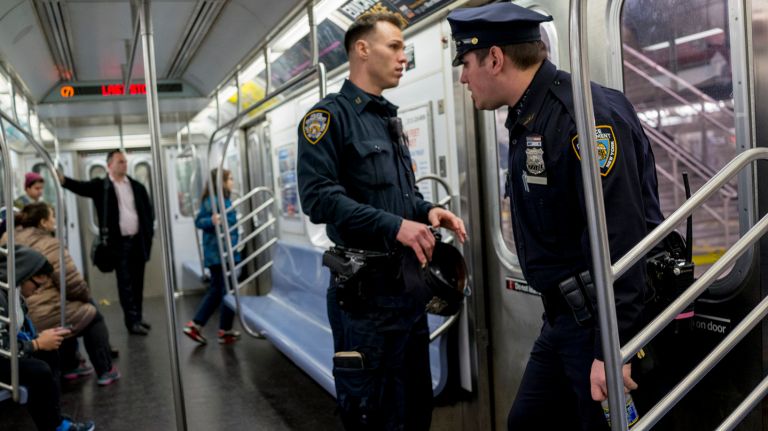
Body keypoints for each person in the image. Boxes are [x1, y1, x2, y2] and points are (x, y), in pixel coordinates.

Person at [447, 3, 663, 430]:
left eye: (466, 63)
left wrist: (611, 349)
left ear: (494, 58)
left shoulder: (583, 117)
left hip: (600, 327)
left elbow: (622, 239)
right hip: (564, 322)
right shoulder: (529, 118)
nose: (462, 77)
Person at [297, 12, 467, 430]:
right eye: (394, 46)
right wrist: (395, 226)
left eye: (403, 48)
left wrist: (425, 211)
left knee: (413, 411)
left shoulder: (386, 118)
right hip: (364, 299)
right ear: (362, 49)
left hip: (405, 293)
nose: (403, 56)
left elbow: (396, 195)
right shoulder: (327, 119)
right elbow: (318, 199)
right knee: (372, 414)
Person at [2, 203, 120, 386]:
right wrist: (87, 298)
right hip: (40, 315)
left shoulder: (6, 238)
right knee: (91, 314)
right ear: (43, 222)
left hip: (18, 313)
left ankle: (71, 365)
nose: (55, 221)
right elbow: (72, 284)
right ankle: (105, 370)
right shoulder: (50, 244)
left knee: (69, 311)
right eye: (52, 217)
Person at [58, 150, 154, 335]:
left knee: (137, 282)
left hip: (137, 242)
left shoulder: (137, 186)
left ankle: (139, 317)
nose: (124, 164)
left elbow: (147, 213)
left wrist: (147, 235)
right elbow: (80, 187)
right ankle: (131, 322)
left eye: (125, 161)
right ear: (109, 165)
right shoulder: (101, 187)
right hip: (118, 245)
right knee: (125, 284)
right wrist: (63, 180)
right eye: (120, 162)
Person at [0, 245, 95, 431]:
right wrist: (36, 344)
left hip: (8, 353)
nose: (36, 291)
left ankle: (53, 419)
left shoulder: (14, 293)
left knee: (49, 354)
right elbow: (2, 348)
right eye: (36, 285)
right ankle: (53, 425)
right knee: (39, 369)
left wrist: (39, 339)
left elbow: (17, 332)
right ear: (23, 273)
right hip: (3, 357)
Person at [183, 168, 242, 345]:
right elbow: (199, 221)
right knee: (225, 291)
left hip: (222, 253)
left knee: (220, 289)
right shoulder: (214, 201)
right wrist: (213, 220)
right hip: (219, 255)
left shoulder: (222, 199)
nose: (232, 181)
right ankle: (219, 329)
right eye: (230, 178)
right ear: (221, 182)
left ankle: (202, 325)